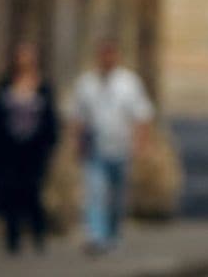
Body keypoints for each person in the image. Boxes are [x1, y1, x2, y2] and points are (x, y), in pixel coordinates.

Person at [70, 38, 153, 254]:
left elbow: (142, 115)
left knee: (116, 195)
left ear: (116, 57)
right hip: (96, 146)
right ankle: (96, 236)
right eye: (103, 55)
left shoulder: (129, 83)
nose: (107, 59)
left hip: (122, 147)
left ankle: (113, 234)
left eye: (110, 55)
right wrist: (76, 142)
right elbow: (78, 117)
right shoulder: (86, 83)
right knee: (96, 192)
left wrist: (140, 144)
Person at [0, 41, 59, 255]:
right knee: (10, 193)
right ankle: (12, 237)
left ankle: (38, 234)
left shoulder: (42, 86)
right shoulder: (5, 85)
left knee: (32, 192)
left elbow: (51, 120)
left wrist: (50, 145)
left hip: (34, 151)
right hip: (9, 150)